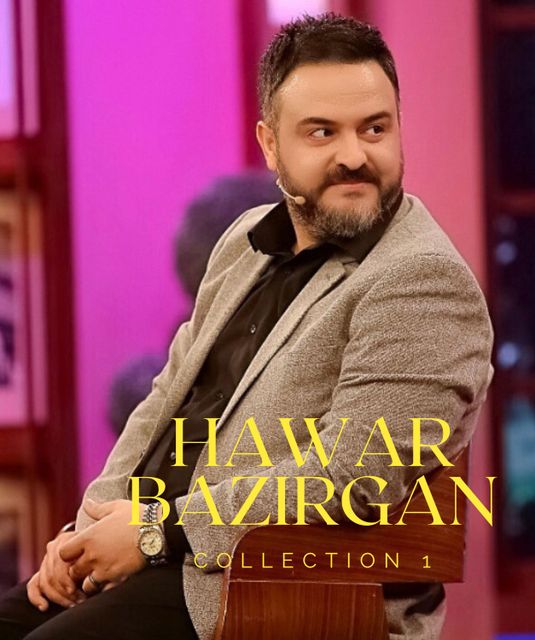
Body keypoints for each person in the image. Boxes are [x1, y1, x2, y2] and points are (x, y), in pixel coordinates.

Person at [0, 13, 493, 640]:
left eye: (375, 128)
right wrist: (87, 530)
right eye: (322, 132)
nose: (354, 156)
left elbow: (352, 478)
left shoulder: (421, 281)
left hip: (277, 591)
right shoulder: (244, 242)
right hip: (166, 560)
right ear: (270, 144)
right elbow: (164, 403)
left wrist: (156, 530)